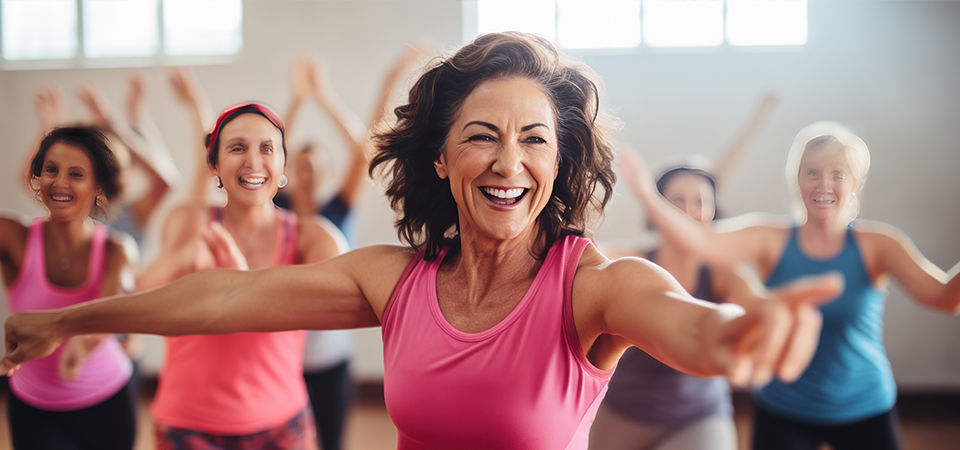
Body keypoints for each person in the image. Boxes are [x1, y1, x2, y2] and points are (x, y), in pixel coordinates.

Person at [3, 33, 840, 450]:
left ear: (563, 160)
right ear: (440, 158)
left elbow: (688, 323)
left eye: (536, 140)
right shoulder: (393, 281)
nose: (509, 163)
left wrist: (740, 335)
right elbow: (224, 297)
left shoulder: (591, 286)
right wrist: (65, 322)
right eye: (483, 136)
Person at [620, 121, 960, 450]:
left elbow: (945, 297)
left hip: (865, 406)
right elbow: (701, 241)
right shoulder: (771, 238)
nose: (823, 184)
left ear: (854, 183)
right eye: (812, 172)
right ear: (796, 180)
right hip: (784, 409)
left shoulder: (880, 244)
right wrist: (646, 194)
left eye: (837, 174)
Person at [133, 101, 346, 448]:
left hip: (282, 427)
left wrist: (239, 284)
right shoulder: (189, 221)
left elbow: (330, 311)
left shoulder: (315, 238)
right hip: (187, 427)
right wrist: (185, 256)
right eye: (237, 148)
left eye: (266, 148)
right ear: (214, 165)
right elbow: (141, 298)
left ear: (282, 165)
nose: (252, 161)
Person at [591, 93, 778, 450]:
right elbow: (588, 256)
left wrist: (769, 316)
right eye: (678, 200)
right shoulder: (630, 259)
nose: (690, 211)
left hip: (699, 418)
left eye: (701, 201)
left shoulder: (723, 273)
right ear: (658, 208)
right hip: (621, 415)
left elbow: (753, 301)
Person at [278, 46, 429, 450]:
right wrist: (297, 101)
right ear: (288, 170)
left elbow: (364, 149)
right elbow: (273, 149)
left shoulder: (337, 210)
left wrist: (324, 97)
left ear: (325, 171)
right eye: (300, 165)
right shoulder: (278, 212)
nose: (307, 172)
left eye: (315, 166)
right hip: (282, 360)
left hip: (331, 361)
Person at [0, 127, 138, 449]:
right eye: (51, 170)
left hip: (109, 401)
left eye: (76, 174)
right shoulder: (13, 237)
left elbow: (113, 308)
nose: (59, 182)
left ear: (98, 187)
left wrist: (80, 344)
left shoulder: (117, 250)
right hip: (33, 407)